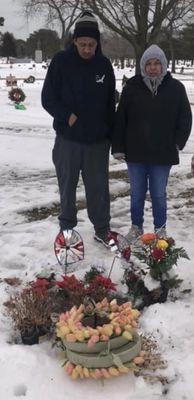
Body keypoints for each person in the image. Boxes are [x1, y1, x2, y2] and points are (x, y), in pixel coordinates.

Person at [41, 11, 115, 246]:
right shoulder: (61, 62)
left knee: (98, 188)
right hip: (68, 140)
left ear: (97, 43)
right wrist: (67, 116)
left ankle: (102, 229)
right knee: (67, 185)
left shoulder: (104, 65)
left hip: (97, 142)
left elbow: (109, 105)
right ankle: (67, 230)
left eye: (91, 44)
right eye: (82, 44)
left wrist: (112, 137)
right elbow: (48, 98)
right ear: (74, 41)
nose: (86, 49)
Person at [112, 44, 192, 242]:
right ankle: (136, 227)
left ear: (163, 65)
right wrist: (119, 147)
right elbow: (120, 118)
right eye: (149, 64)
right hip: (136, 153)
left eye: (157, 63)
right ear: (143, 66)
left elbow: (185, 118)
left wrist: (177, 143)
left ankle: (160, 229)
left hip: (162, 154)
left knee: (158, 194)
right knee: (137, 193)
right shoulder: (132, 87)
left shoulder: (175, 88)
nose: (153, 67)